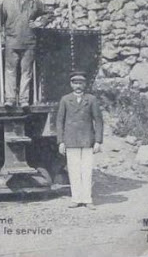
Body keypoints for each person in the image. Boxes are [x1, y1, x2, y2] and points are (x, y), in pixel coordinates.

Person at [0, 0, 50, 110]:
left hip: (29, 41)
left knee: (26, 71)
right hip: (11, 41)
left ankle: (24, 100)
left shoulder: (35, 1)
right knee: (10, 70)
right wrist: (0, 33)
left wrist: (40, 22)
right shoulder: (6, 2)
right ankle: (10, 98)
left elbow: (48, 13)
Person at [56, 71, 103, 210]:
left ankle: (87, 199)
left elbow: (99, 121)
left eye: (80, 83)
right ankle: (76, 198)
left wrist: (98, 141)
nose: (78, 86)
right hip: (70, 140)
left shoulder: (92, 99)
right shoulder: (65, 99)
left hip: (87, 140)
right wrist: (61, 141)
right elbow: (60, 122)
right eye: (75, 83)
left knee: (87, 170)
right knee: (73, 170)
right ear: (71, 84)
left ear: (85, 84)